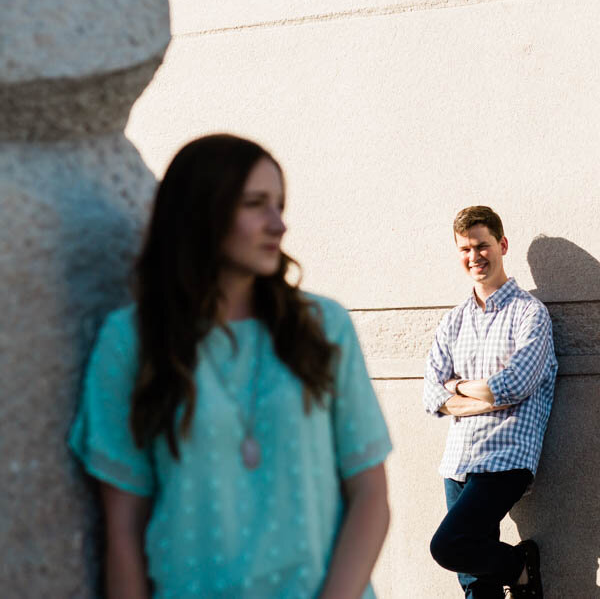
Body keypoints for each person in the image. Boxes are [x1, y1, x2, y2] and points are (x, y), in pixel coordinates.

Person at [69, 134, 392, 599]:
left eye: (280, 204)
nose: (278, 224)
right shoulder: (131, 341)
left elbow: (370, 496)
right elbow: (123, 530)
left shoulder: (324, 328)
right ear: (201, 212)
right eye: (255, 204)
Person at [423, 206, 557, 599]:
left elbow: (515, 384)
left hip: (505, 457)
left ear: (502, 245)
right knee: (475, 584)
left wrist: (457, 387)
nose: (474, 256)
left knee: (449, 546)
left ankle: (518, 566)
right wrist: (483, 394)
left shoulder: (530, 314)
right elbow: (432, 393)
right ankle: (512, 577)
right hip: (458, 461)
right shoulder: (454, 321)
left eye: (482, 246)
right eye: (465, 249)